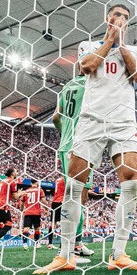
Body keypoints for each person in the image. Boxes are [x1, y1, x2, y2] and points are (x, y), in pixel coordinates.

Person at [36, 4, 137, 273]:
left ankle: (119, 254)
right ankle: (65, 256)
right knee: (74, 185)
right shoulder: (88, 45)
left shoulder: (133, 51)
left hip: (123, 121)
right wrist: (110, 40)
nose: (120, 19)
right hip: (91, 120)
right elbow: (87, 66)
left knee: (131, 181)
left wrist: (121, 45)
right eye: (117, 15)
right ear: (107, 18)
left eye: (125, 17)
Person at [52, 73, 98, 260]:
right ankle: (70, 247)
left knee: (72, 196)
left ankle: (75, 244)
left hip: (65, 145)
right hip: (83, 145)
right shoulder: (92, 85)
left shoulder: (67, 86)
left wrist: (65, 136)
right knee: (80, 198)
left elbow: (55, 117)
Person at [18, 178, 45, 249]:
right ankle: (36, 244)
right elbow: (43, 200)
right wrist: (46, 209)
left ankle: (24, 244)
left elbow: (22, 202)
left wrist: (21, 210)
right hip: (36, 212)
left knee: (26, 228)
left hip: (28, 212)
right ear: (37, 183)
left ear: (31, 183)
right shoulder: (40, 190)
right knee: (36, 228)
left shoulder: (26, 191)